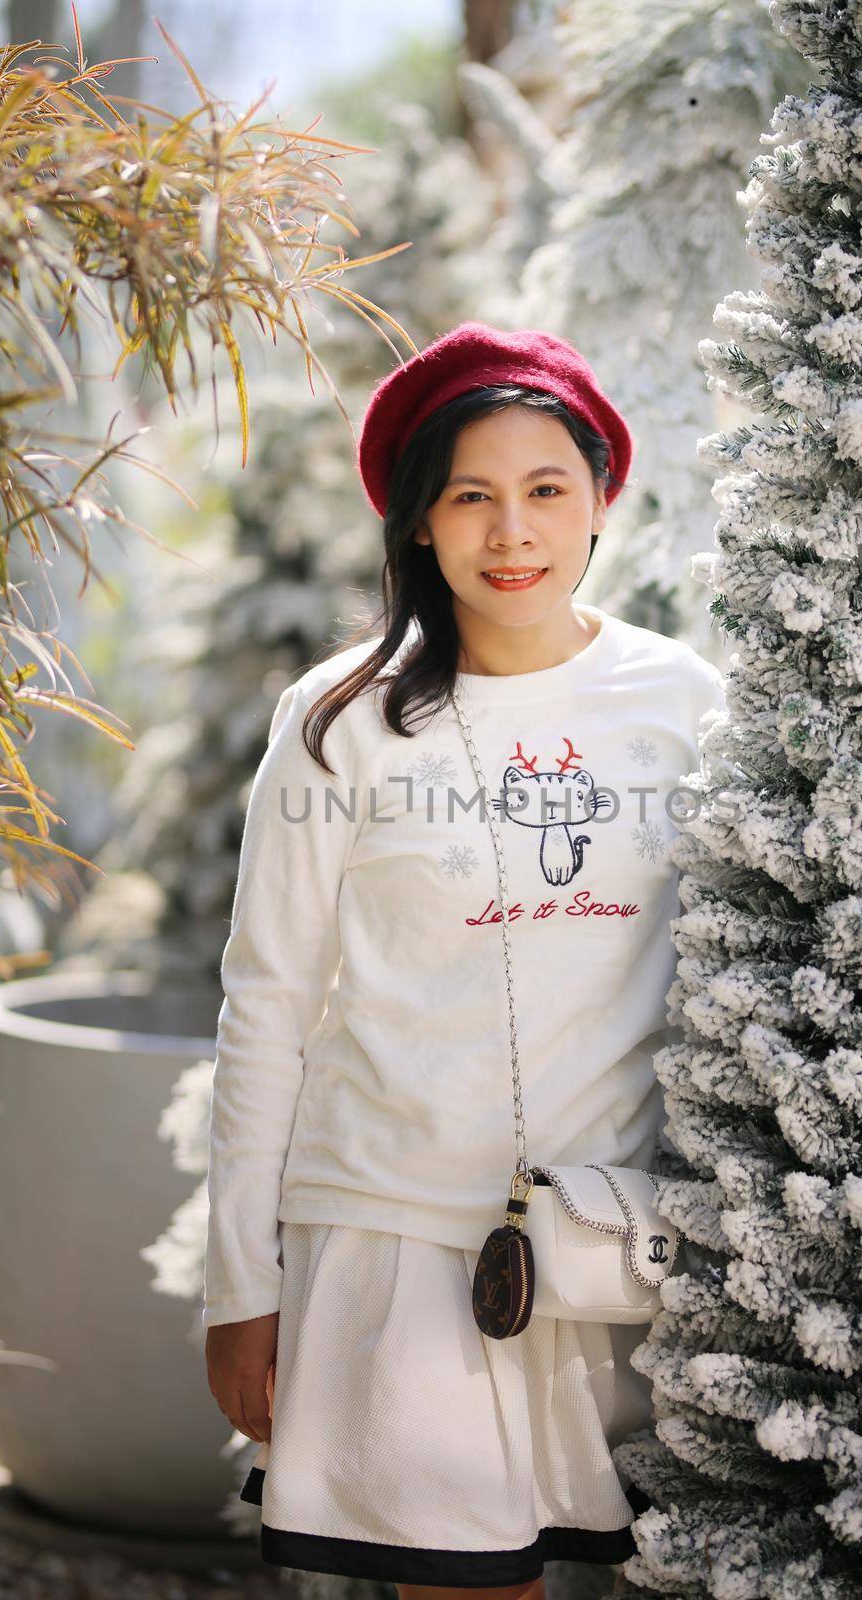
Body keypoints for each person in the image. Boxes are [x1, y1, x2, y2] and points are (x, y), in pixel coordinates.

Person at [202, 321, 726, 1599]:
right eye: (469, 497)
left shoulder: (684, 700)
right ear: (416, 525)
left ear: (600, 501)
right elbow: (265, 1005)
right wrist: (238, 1284)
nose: (511, 534)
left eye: (546, 490)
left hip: (620, 1237)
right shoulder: (340, 724)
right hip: (396, 1240)